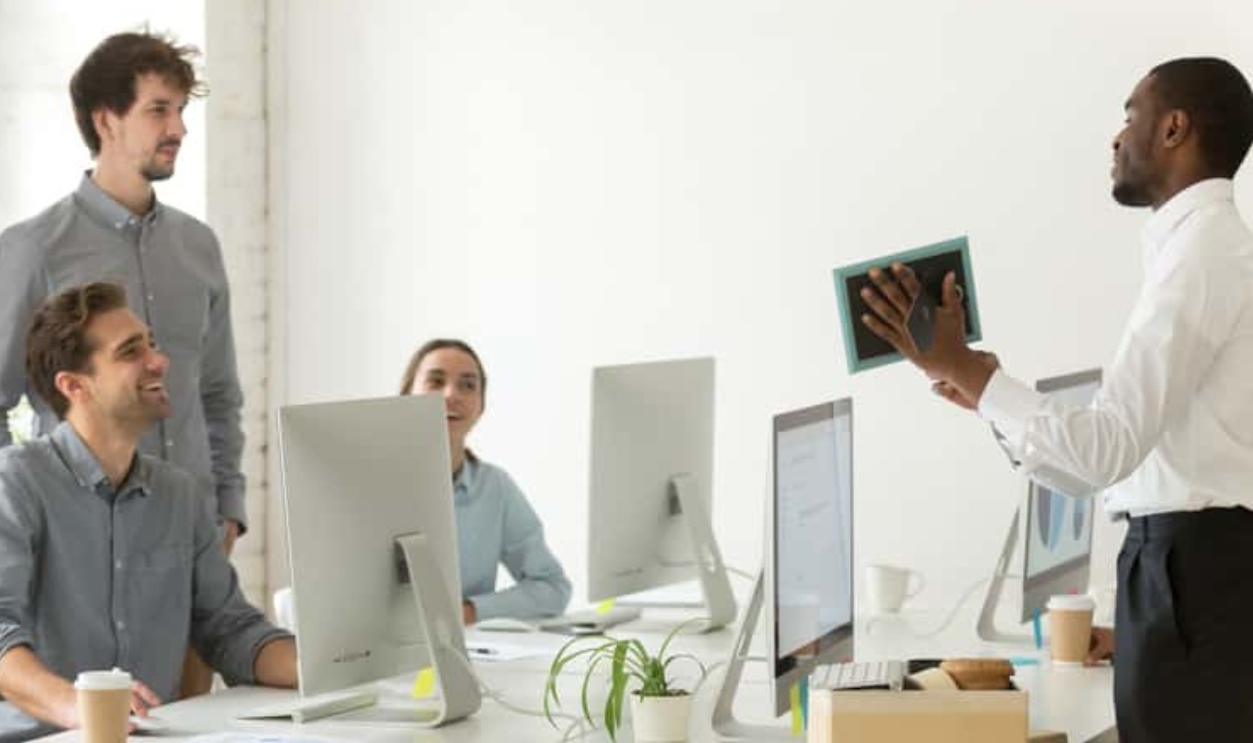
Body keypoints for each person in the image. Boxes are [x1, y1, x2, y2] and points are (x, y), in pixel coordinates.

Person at [860, 58, 1253, 742]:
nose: (1115, 136)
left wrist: (971, 373)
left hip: (1194, 575)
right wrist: (981, 391)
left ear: (1173, 128)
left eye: (1129, 116)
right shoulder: (1196, 250)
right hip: (1186, 580)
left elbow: (1103, 451)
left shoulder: (1201, 256)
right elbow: (1108, 462)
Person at [0, 29, 248, 698]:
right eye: (159, 111)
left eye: (182, 112)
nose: (179, 129)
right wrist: (23, 510)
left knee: (189, 721)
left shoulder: (200, 247)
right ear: (106, 120)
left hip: (188, 540)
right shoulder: (29, 250)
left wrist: (226, 508)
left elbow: (219, 393)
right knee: (86, 719)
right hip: (71, 552)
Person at [0, 282, 297, 741]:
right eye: (130, 351)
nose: (159, 361)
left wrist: (326, 665)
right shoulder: (16, 482)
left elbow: (228, 628)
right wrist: (78, 707)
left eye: (152, 345)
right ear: (75, 385)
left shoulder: (180, 495)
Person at [400, 339, 572, 623]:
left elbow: (553, 589)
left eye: (468, 385)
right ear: (407, 396)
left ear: (481, 406)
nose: (451, 395)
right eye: (436, 381)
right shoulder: (371, 484)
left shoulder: (495, 487)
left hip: (462, 653)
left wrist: (468, 611)